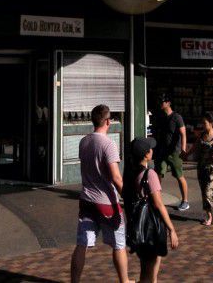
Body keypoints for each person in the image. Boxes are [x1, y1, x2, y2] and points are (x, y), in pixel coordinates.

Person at [71, 104, 129, 283]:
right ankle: (124, 281)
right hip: (106, 202)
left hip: (86, 200)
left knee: (82, 244)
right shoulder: (108, 144)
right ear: (107, 121)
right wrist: (129, 197)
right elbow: (116, 177)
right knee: (119, 244)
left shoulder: (84, 141)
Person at [125, 137, 179, 283]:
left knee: (145, 269)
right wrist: (171, 229)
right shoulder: (149, 174)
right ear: (146, 155)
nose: (152, 150)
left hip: (139, 228)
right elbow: (159, 204)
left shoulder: (131, 172)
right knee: (150, 271)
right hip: (151, 229)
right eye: (150, 149)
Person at [187, 112, 213, 226]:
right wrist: (186, 154)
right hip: (201, 167)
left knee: (207, 192)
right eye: (202, 122)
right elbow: (194, 147)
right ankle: (209, 216)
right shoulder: (202, 135)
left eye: (204, 123)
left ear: (211, 123)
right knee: (203, 193)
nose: (202, 125)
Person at [153, 95, 189, 210]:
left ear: (168, 103)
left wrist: (183, 149)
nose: (160, 103)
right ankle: (156, 199)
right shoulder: (161, 117)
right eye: (160, 101)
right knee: (158, 174)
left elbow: (183, 134)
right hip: (162, 151)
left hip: (174, 152)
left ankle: (185, 201)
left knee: (179, 176)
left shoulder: (177, 117)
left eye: (162, 101)